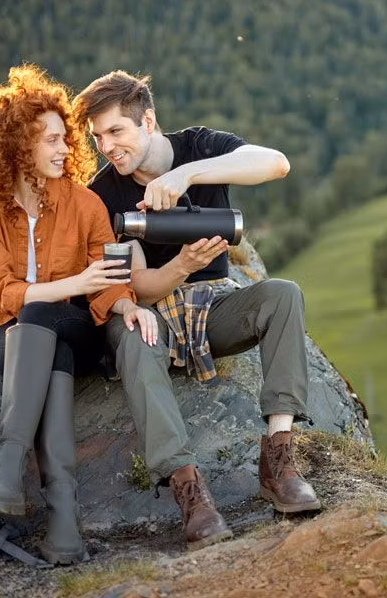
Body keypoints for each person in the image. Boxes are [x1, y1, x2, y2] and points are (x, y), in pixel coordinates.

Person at [72, 71, 322, 551]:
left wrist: (187, 173)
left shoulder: (201, 145)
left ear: (148, 121)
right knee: (131, 336)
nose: (107, 146)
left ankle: (279, 461)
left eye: (116, 132)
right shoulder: (104, 195)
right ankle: (190, 491)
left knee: (283, 294)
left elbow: (276, 164)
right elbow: (138, 285)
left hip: (216, 307)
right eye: (97, 137)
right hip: (158, 313)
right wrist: (184, 264)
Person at [0, 65, 157, 565]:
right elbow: (2, 290)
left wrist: (121, 302)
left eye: (66, 139)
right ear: (18, 145)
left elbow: (109, 282)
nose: (67, 150)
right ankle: (64, 522)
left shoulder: (85, 203)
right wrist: (72, 283)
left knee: (49, 320)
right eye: (53, 140)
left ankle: (10, 464)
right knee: (40, 329)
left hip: (79, 326)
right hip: (17, 334)